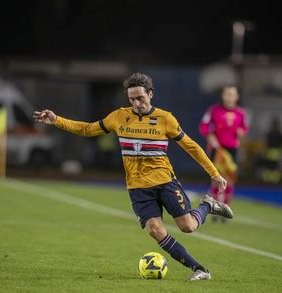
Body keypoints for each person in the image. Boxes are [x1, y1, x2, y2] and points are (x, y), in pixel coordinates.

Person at [33, 73, 233, 281]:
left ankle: (208, 205)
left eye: (140, 98)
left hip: (165, 182)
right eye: (132, 99)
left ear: (150, 94)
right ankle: (199, 269)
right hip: (137, 188)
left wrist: (214, 173)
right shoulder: (119, 117)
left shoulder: (166, 119)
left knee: (188, 227)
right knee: (155, 230)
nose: (136, 103)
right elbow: (88, 129)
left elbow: (191, 147)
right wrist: (57, 120)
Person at [199, 86, 248, 219]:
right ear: (223, 96)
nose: (229, 97)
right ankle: (214, 206)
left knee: (230, 178)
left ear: (236, 97)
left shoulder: (241, 113)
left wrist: (241, 133)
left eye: (232, 94)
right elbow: (204, 126)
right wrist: (210, 136)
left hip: (232, 149)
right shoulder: (214, 110)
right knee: (216, 177)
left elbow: (244, 128)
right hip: (217, 149)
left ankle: (226, 206)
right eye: (227, 94)